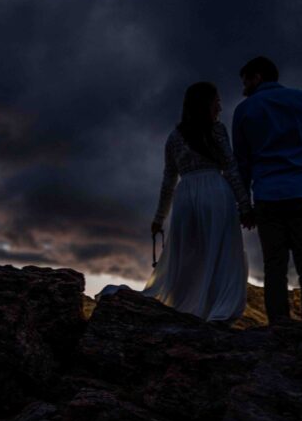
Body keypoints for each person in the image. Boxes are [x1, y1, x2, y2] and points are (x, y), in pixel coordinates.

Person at [98, 82, 252, 322]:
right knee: (220, 253)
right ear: (205, 104)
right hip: (215, 192)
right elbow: (231, 168)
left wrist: (159, 218)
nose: (220, 106)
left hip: (186, 197)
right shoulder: (217, 130)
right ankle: (216, 311)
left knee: (189, 257)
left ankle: (187, 307)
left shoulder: (174, 137)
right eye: (216, 101)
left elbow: (168, 181)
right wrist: (245, 205)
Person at [232, 56, 302, 325]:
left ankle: (279, 328)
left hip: (267, 197)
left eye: (246, 81)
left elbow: (242, 164)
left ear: (258, 77)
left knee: (274, 267)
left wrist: (245, 206)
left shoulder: (243, 111)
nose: (244, 87)